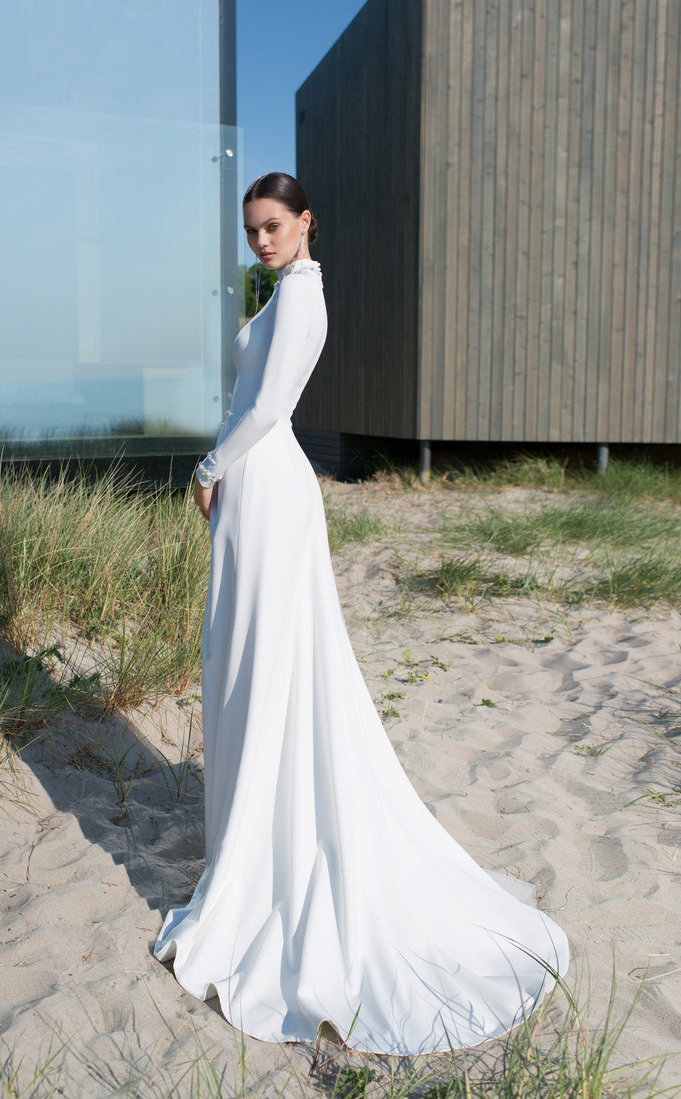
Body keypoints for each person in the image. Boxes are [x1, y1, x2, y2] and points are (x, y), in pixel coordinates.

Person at [154, 172, 569, 1055]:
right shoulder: (281, 297)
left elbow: (267, 407)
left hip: (263, 483)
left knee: (267, 665)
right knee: (247, 663)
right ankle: (249, 846)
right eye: (251, 230)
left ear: (306, 223)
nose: (262, 240)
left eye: (274, 226)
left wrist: (207, 467)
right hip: (254, 491)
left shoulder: (303, 299)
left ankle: (266, 862)